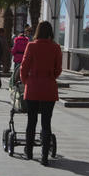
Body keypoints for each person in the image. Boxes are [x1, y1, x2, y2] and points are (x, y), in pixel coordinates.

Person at [19, 21, 63, 165]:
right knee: (46, 122)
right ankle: (44, 156)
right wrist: (50, 77)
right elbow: (58, 69)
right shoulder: (56, 47)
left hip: (33, 88)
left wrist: (27, 81)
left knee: (31, 121)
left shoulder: (31, 46)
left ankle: (29, 151)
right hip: (49, 88)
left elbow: (23, 67)